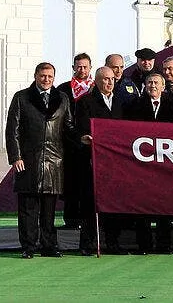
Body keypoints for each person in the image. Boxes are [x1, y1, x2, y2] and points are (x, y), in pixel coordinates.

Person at [6, 62, 75, 258]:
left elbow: (68, 127)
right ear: (36, 75)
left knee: (49, 210)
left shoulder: (62, 98)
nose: (46, 80)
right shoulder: (21, 97)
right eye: (43, 76)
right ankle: (28, 246)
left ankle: (48, 245)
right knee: (28, 208)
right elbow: (13, 130)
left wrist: (82, 138)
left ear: (54, 78)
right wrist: (15, 156)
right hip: (28, 160)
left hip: (54, 162)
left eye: (50, 76)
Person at [76, 66, 129, 255]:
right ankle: (88, 243)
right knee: (90, 204)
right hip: (93, 160)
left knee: (113, 202)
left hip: (115, 163)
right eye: (105, 79)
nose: (109, 82)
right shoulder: (86, 102)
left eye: (112, 79)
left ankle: (113, 242)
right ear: (97, 81)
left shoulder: (121, 103)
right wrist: (85, 138)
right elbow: (81, 129)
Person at [129, 73, 173, 254]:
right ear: (145, 85)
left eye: (156, 83)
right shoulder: (134, 106)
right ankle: (144, 245)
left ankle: (164, 244)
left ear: (163, 87)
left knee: (164, 204)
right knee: (142, 204)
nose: (153, 85)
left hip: (165, 164)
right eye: (150, 82)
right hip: (141, 164)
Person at [55, 52, 93, 230]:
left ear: (90, 68)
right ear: (73, 68)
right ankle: (70, 219)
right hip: (69, 143)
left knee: (88, 183)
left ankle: (88, 220)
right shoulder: (63, 89)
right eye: (78, 66)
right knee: (70, 182)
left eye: (85, 66)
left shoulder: (96, 88)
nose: (82, 70)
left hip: (91, 144)